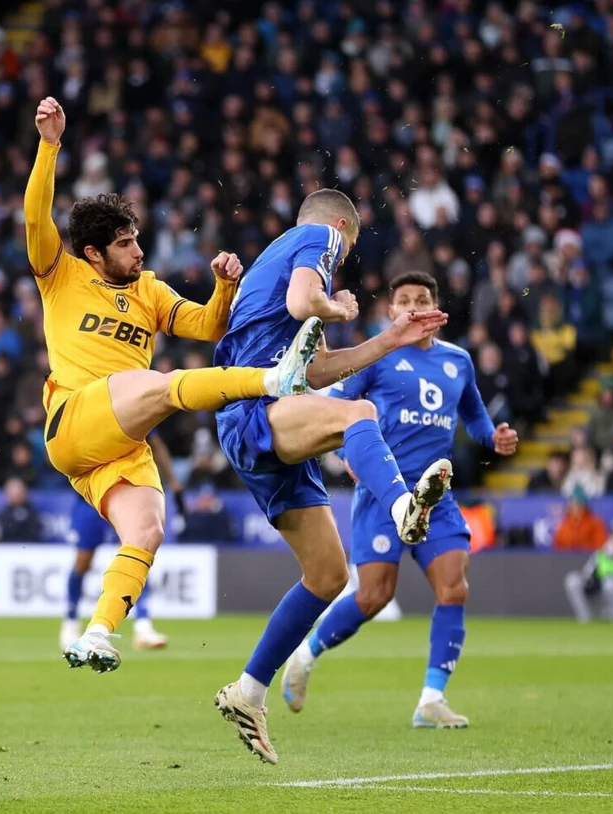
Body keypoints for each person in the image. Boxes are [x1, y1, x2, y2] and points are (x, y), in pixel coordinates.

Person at [25, 99, 322, 673]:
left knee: (147, 530)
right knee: (160, 385)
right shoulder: (60, 274)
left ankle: (97, 632)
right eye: (125, 244)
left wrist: (223, 287)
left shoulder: (151, 290)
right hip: (74, 417)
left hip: (118, 443)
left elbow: (208, 326)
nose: (139, 250)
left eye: (137, 238)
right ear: (94, 253)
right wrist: (49, 146)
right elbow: (36, 217)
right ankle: (274, 379)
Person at [210, 193, 449, 763]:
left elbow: (317, 370)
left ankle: (248, 692)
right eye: (348, 248)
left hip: (264, 417)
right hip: (253, 409)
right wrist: (337, 307)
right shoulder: (320, 238)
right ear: (342, 227)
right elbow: (304, 301)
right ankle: (402, 507)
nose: (341, 259)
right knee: (358, 414)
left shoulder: (275, 268)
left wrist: (389, 340)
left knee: (328, 574)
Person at [279, 272, 518, 730]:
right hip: (383, 493)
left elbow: (474, 416)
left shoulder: (458, 361)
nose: (413, 307)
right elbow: (335, 410)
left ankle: (431, 699)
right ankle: (306, 654)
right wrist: (347, 454)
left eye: (421, 299)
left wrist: (494, 437)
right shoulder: (377, 356)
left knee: (454, 588)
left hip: (435, 494)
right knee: (374, 596)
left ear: (436, 308)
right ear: (391, 312)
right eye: (404, 301)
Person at [59, 433, 178, 653]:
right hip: (89, 497)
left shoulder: (124, 415)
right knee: (82, 562)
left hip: (124, 490)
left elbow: (156, 443)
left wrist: (174, 481)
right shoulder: (85, 416)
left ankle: (143, 625)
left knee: (135, 553)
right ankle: (71, 620)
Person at [564, 520, 613, 622]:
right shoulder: (601, 553)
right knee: (572, 580)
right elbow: (587, 574)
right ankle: (585, 619)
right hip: (601, 592)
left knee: (610, 584)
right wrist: (594, 581)